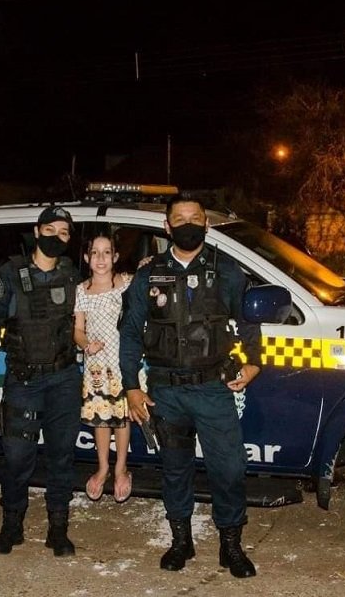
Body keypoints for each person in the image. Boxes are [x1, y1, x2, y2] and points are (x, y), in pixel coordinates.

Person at [119, 193, 263, 578]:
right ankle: (181, 540)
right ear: (167, 227)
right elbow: (130, 332)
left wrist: (253, 361)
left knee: (229, 469)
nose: (187, 224)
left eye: (195, 218)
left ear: (206, 224)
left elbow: (249, 321)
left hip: (214, 388)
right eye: (179, 219)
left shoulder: (227, 271)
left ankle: (231, 545)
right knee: (175, 469)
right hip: (166, 391)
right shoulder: (149, 275)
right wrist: (131, 386)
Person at [0, 205, 82, 557]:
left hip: (64, 379)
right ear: (37, 232)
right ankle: (12, 527)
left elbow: (105, 288)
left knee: (61, 456)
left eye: (64, 233)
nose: (57, 237)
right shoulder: (9, 275)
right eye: (50, 230)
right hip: (24, 381)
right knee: (17, 458)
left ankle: (58, 530)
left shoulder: (71, 274)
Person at [73, 232, 133, 503]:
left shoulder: (126, 284)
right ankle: (102, 467)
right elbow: (78, 330)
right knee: (101, 416)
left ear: (115, 257)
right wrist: (87, 345)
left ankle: (121, 469)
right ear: (87, 258)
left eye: (106, 252)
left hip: (122, 364)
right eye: (94, 253)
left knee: (121, 417)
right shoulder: (81, 291)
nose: (100, 258)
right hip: (96, 366)